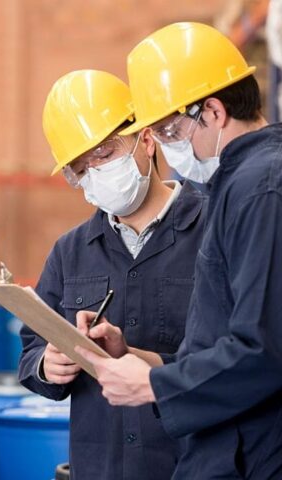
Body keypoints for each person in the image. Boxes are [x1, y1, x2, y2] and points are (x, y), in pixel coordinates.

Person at [76, 22, 282, 479]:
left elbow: (264, 350)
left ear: (212, 111)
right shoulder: (234, 184)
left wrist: (154, 384)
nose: (167, 149)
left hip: (253, 455)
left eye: (170, 130)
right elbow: (223, 340)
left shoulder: (261, 188)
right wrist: (140, 358)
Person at [18, 69, 207, 480]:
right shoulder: (70, 252)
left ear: (146, 139)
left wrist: (144, 362)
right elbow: (32, 348)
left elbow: (239, 354)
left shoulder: (215, 232)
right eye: (80, 169)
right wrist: (48, 366)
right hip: (100, 467)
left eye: (103, 154)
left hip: (193, 465)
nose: (95, 175)